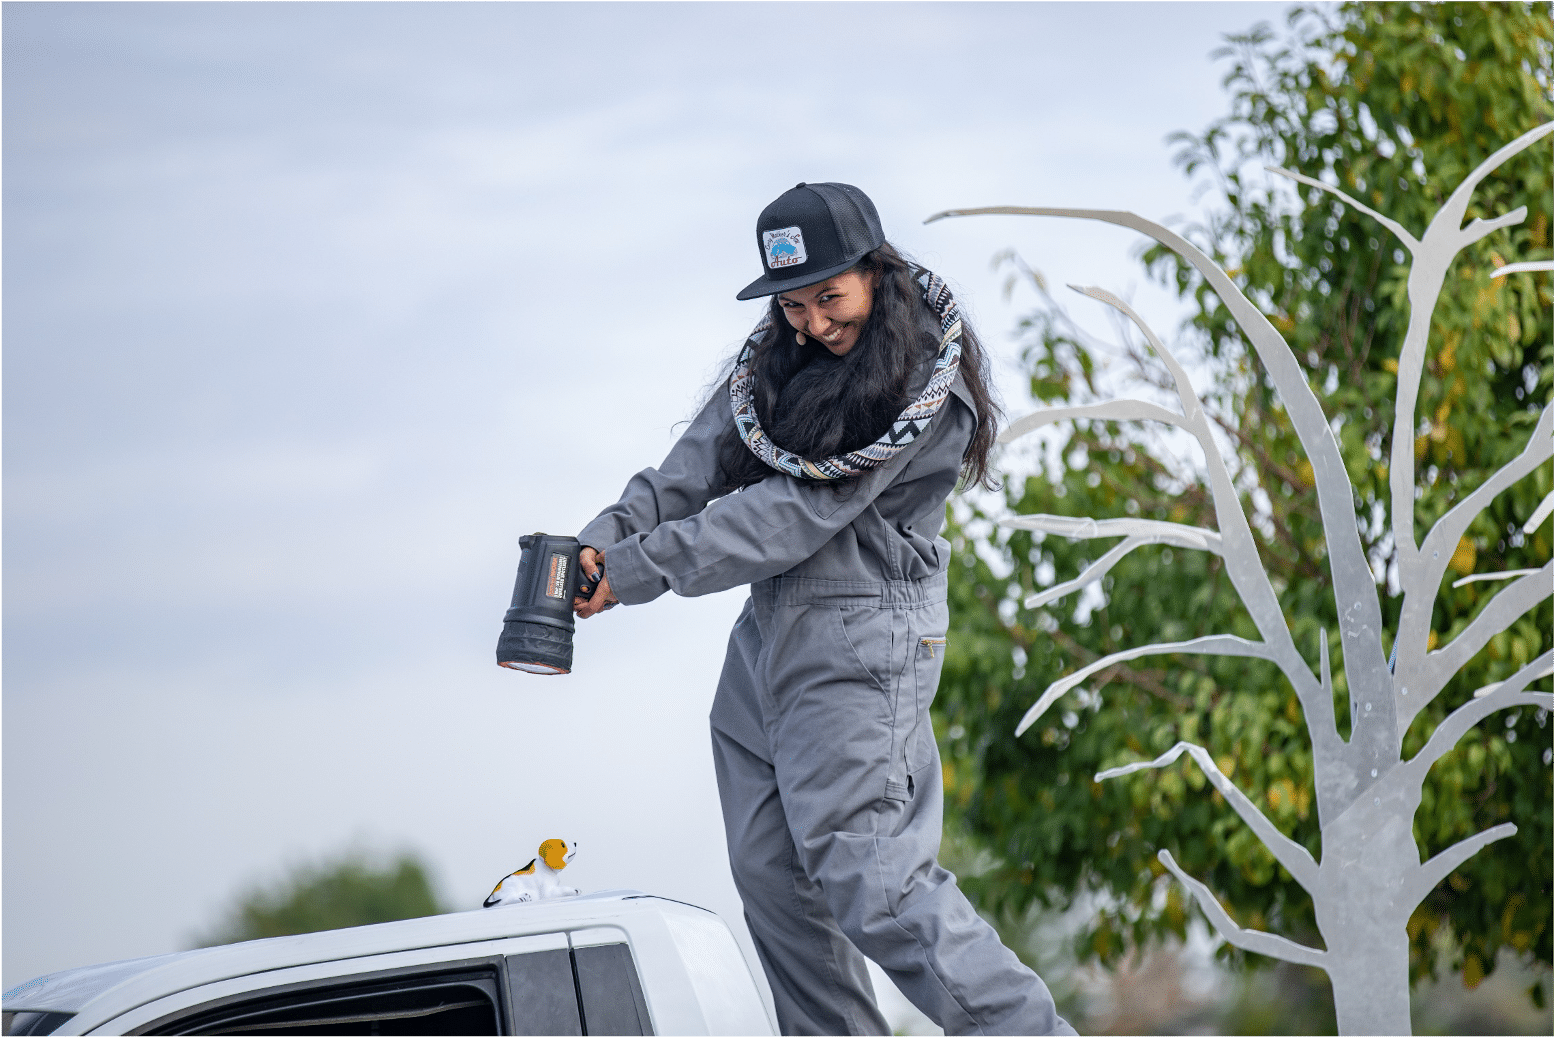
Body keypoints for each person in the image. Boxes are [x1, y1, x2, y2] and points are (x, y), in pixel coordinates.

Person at [570, 182, 1076, 1037]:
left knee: (874, 877)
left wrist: (636, 570)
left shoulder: (916, 381)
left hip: (862, 632)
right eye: (793, 305)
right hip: (772, 633)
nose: (813, 322)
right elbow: (693, 467)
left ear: (874, 272)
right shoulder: (775, 361)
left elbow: (794, 513)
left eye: (829, 297)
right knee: (769, 870)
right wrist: (597, 542)